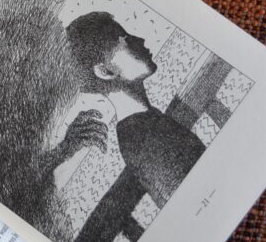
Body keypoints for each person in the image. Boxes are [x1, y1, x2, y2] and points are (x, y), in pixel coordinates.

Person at [53, 11, 205, 208]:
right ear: (105, 71)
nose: (140, 40)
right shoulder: (141, 136)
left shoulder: (142, 125)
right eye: (126, 40)